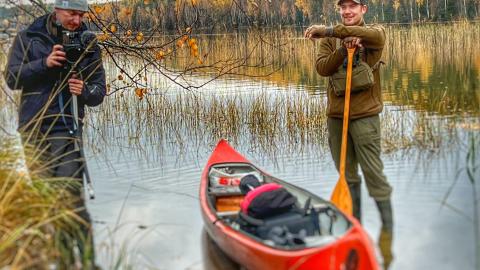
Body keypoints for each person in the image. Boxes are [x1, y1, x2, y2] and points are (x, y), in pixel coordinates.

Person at [4, 0, 106, 267]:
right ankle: (56, 259)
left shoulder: (88, 42)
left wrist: (82, 90)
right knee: (43, 199)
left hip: (68, 127)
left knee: (71, 197)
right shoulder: (29, 37)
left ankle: (86, 261)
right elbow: (12, 79)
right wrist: (44, 63)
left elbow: (98, 92)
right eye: (72, 13)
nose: (77, 19)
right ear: (57, 10)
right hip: (33, 127)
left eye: (81, 14)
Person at [304, 0, 393, 268]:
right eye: (343, 7)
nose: (347, 11)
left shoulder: (374, 32)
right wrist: (343, 50)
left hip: (365, 116)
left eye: (353, 6)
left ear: (363, 9)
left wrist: (330, 30)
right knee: (347, 174)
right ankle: (356, 228)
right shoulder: (331, 40)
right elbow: (322, 68)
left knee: (374, 175)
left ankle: (387, 237)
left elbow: (375, 37)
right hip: (337, 117)